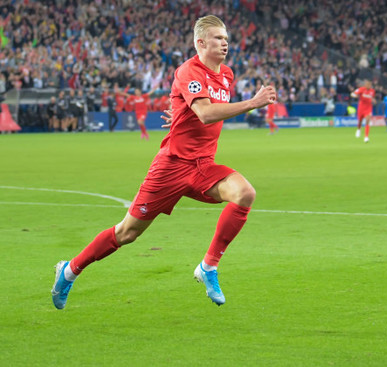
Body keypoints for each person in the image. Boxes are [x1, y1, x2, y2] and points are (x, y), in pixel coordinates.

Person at [51, 15, 277, 309]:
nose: (225, 43)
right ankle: (69, 270)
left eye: (226, 38)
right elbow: (207, 113)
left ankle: (208, 267)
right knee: (127, 233)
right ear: (201, 42)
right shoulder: (188, 70)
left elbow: (202, 109)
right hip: (171, 167)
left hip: (203, 166)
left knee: (245, 193)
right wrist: (252, 103)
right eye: (219, 38)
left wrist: (182, 112)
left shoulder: (227, 74)